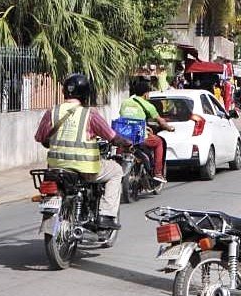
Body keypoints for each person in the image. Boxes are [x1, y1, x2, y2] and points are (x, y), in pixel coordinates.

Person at [34, 73, 128, 230]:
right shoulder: (89, 114)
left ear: (65, 92)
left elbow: (41, 138)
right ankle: (106, 215)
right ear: (86, 94)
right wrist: (126, 143)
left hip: (56, 168)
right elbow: (111, 136)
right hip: (85, 169)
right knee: (117, 171)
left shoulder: (52, 112)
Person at [118, 79, 176, 182]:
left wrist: (146, 127)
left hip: (123, 134)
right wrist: (169, 127)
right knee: (159, 142)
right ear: (146, 94)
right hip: (139, 136)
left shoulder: (125, 102)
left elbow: (130, 118)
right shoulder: (147, 105)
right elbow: (160, 121)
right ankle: (158, 173)